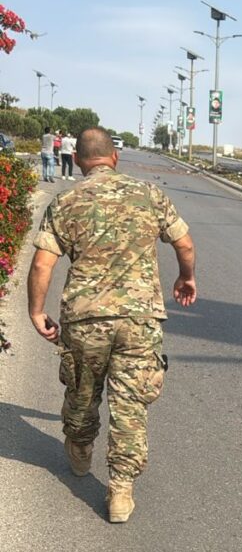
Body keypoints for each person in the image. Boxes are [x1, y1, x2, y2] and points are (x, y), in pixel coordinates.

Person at [26, 126, 197, 523]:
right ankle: (120, 490)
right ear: (114, 158)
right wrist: (186, 277)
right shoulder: (150, 194)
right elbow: (184, 243)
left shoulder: (66, 199)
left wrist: (36, 311)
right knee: (130, 405)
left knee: (83, 393)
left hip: (86, 320)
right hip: (140, 319)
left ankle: (81, 450)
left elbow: (42, 263)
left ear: (81, 161)